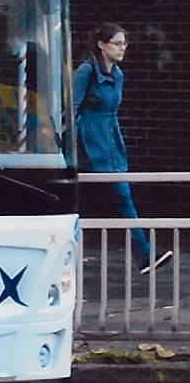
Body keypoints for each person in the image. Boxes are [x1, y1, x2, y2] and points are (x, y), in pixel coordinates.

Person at [73, 23, 171, 274]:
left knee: (122, 195)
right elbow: (71, 109)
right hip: (87, 141)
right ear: (101, 44)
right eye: (117, 43)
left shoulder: (118, 74)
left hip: (110, 141)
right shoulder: (86, 71)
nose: (122, 48)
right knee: (74, 198)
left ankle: (144, 254)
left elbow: (112, 109)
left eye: (124, 43)